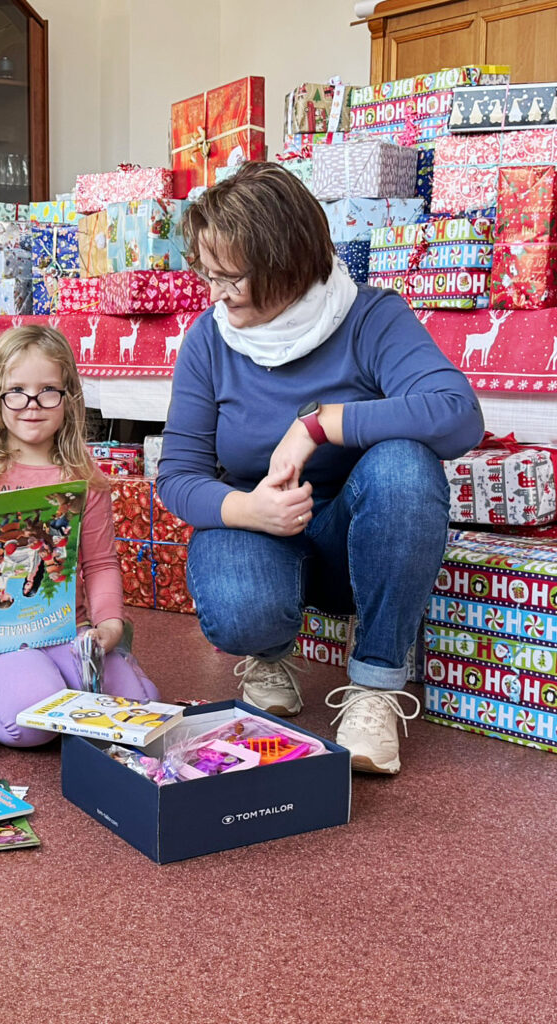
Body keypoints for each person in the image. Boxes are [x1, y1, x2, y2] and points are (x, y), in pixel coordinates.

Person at [156, 162, 485, 775]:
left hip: (359, 543)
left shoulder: (371, 317)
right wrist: (250, 509)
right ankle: (270, 652)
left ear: (286, 263)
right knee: (238, 604)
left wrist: (321, 423)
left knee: (406, 464)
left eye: (230, 277)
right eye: (208, 274)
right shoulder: (208, 339)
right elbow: (177, 477)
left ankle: (376, 687)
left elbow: (457, 416)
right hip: (261, 532)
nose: (215, 294)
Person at [0, 324, 159, 747]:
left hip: (70, 630)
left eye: (48, 390)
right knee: (30, 726)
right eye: (17, 391)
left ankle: (84, 675)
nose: (32, 405)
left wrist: (107, 626)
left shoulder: (84, 478)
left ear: (69, 398)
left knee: (141, 713)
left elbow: (101, 562)